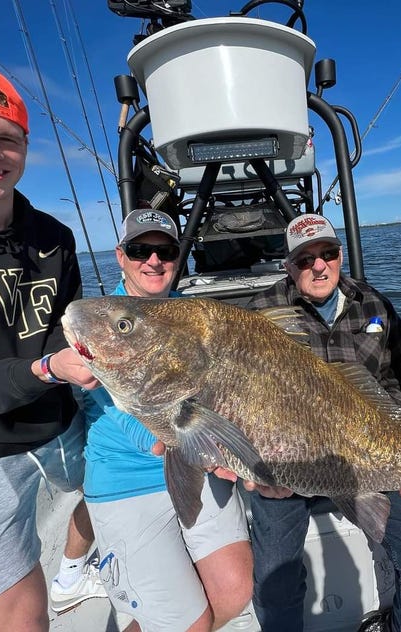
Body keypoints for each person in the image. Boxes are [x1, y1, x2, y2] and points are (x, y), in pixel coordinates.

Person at [242, 213, 401, 632]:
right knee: (273, 585)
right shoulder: (262, 313)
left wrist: (388, 424)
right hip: (289, 464)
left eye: (328, 253)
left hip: (369, 454)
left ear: (340, 256)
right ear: (288, 266)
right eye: (304, 259)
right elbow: (243, 395)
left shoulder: (372, 301)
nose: (319, 266)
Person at [0, 58, 101, 631]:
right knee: (21, 622)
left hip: (61, 423)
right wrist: (48, 368)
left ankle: (75, 566)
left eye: (7, 139)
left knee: (128, 464)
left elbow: (69, 324)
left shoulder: (55, 237)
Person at [81, 209, 253, 632]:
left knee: (234, 592)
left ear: (179, 256)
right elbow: (123, 416)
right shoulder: (101, 322)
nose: (153, 261)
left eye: (166, 250)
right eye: (141, 250)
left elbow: (226, 387)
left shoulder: (194, 314)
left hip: (194, 459)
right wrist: (196, 445)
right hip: (128, 479)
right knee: (187, 623)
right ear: (121, 256)